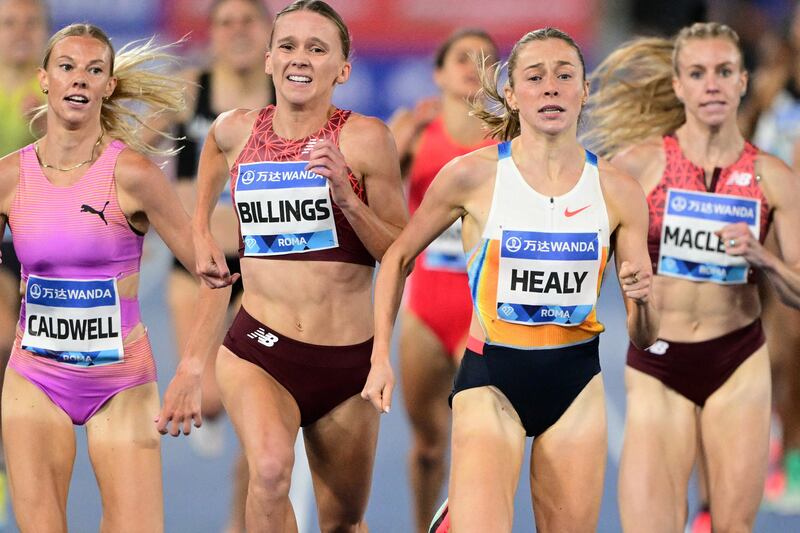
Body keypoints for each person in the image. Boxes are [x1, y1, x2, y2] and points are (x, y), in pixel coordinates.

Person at [365, 27, 659, 532]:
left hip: (576, 387)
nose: (550, 88)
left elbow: (643, 337)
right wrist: (378, 359)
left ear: (584, 90)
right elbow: (396, 258)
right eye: (535, 76)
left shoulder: (620, 191)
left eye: (565, 75)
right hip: (491, 379)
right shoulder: (471, 176)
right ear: (510, 92)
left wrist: (644, 302)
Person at [0, 23, 233, 532]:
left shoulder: (134, 175)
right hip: (34, 378)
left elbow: (215, 276)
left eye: (94, 70)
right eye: (66, 67)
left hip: (119, 381)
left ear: (108, 86)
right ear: (44, 79)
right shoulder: (9, 177)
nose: (79, 79)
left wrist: (193, 369)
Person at [192, 1, 407, 531]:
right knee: (268, 473)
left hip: (347, 365)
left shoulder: (366, 140)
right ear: (269, 60)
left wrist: (348, 198)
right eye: (288, 46)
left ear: (343, 68)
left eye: (317, 48)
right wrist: (200, 229)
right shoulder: (236, 129)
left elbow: (399, 253)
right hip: (259, 349)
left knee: (343, 522)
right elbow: (213, 153)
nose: (300, 58)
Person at [587, 22, 800, 532]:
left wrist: (762, 259)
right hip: (658, 364)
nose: (712, 85)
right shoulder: (636, 167)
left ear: (743, 81)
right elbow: (575, 248)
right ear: (679, 85)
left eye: (724, 72)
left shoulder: (773, 177)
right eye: (698, 73)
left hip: (737, 363)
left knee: (732, 527)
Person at [145, 1, 273, 529]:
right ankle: (218, 409)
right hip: (196, 268)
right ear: (213, 32)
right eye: (227, 22)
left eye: (249, 21)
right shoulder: (188, 89)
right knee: (213, 400)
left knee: (259, 415)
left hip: (266, 269)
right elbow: (128, 152)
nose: (238, 31)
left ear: (268, 33)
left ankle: (240, 520)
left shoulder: (282, 96)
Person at [388, 28, 498, 533]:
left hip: (483, 313)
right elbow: (368, 193)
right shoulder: (416, 131)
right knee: (430, 447)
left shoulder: (510, 142)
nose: (473, 67)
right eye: (462, 58)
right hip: (424, 313)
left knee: (478, 440)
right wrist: (399, 141)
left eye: (486, 60)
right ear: (438, 73)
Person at [0, 0, 49, 524]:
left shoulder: (57, 90)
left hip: (48, 245)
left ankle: (25, 453)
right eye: (9, 22)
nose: (19, 32)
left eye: (29, 24)